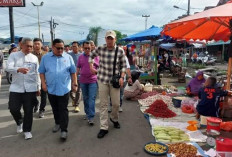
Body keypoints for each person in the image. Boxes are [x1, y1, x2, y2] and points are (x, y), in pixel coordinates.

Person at [89, 30, 126, 138]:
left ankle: (114, 118)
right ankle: (104, 127)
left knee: (116, 104)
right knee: (103, 104)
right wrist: (91, 66)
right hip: (102, 79)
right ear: (105, 39)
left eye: (111, 38)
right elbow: (91, 55)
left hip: (114, 81)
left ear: (115, 39)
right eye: (108, 38)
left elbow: (123, 65)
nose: (109, 40)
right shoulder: (100, 49)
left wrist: (122, 77)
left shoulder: (120, 51)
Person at [39, 39, 77, 141]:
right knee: (55, 108)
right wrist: (43, 84)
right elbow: (41, 72)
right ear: (53, 47)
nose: (61, 50)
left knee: (63, 109)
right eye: (58, 48)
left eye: (62, 48)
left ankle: (64, 130)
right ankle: (57, 123)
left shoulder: (68, 57)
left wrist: (74, 83)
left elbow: (73, 72)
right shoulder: (45, 58)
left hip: (64, 88)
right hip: (51, 88)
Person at [6, 37, 40, 140]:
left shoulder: (34, 58)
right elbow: (8, 67)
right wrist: (18, 69)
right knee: (13, 108)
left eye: (31, 46)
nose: (30, 48)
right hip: (16, 88)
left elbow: (37, 73)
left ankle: (27, 130)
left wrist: (38, 87)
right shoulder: (14, 55)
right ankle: (19, 122)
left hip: (30, 88)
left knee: (28, 110)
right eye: (28, 46)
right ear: (22, 45)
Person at [77, 41, 98, 125]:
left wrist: (95, 71)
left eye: (88, 48)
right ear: (82, 48)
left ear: (91, 48)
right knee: (85, 98)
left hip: (93, 81)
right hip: (83, 81)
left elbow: (100, 68)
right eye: (85, 48)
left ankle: (91, 116)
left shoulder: (95, 57)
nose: (87, 50)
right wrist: (74, 79)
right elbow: (78, 68)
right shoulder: (80, 57)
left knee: (91, 98)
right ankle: (87, 113)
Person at [32, 38, 47, 118]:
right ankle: (36, 103)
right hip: (33, 78)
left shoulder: (46, 54)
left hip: (43, 78)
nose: (37, 45)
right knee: (32, 95)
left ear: (41, 45)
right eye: (35, 44)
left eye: (38, 43)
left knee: (44, 95)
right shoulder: (30, 55)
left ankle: (42, 110)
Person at [69, 41, 82, 112]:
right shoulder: (68, 55)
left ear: (79, 47)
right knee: (70, 91)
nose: (74, 48)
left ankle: (76, 105)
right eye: (73, 46)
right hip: (70, 76)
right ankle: (74, 99)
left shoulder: (81, 55)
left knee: (78, 91)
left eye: (75, 46)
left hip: (79, 76)